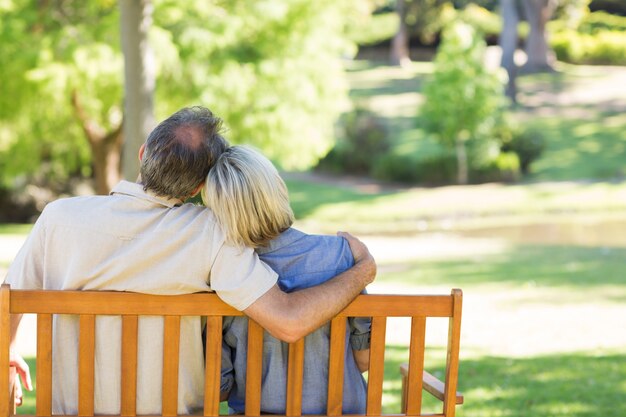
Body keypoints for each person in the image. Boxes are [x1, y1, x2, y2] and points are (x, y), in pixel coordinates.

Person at [4, 106, 376, 414]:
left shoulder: (59, 218)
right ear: (201, 187)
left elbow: (9, 297)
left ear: (143, 152)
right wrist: (362, 271)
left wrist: (7, 351)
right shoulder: (211, 234)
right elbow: (290, 322)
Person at [203, 145, 371, 414]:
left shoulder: (227, 275)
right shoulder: (341, 256)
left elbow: (221, 387)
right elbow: (365, 359)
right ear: (278, 189)